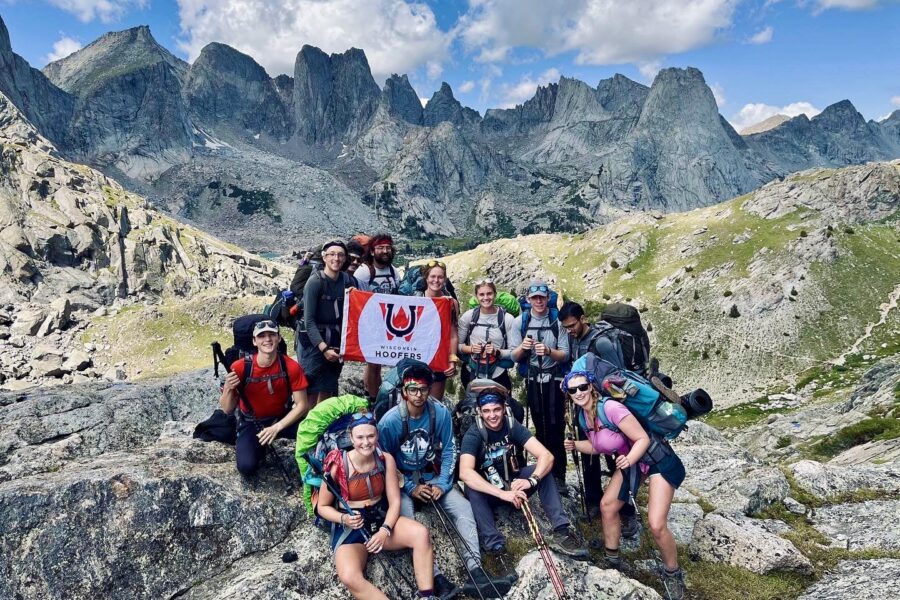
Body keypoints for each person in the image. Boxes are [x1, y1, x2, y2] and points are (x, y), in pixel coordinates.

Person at [378, 365, 511, 598]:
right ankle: (436, 577)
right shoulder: (390, 423)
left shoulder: (439, 412)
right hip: (404, 482)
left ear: (430, 390)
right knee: (407, 521)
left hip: (433, 476)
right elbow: (384, 461)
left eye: (423, 389)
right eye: (413, 389)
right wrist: (410, 487)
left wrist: (441, 484)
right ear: (404, 392)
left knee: (464, 509)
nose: (419, 395)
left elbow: (450, 449)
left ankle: (475, 571)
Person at [562, 370, 686, 600]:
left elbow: (642, 439)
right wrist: (576, 446)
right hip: (633, 462)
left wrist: (628, 460)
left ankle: (673, 572)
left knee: (656, 524)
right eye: (572, 390)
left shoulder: (610, 408)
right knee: (607, 506)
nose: (578, 393)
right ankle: (613, 562)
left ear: (591, 387)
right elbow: (601, 445)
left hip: (656, 460)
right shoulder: (583, 416)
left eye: (582, 387)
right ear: (568, 394)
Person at [317, 412, 438, 599]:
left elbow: (394, 500)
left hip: (381, 518)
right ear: (351, 438)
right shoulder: (337, 464)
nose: (366, 442)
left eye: (371, 436)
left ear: (377, 436)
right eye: (360, 437)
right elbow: (322, 507)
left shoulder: (385, 459)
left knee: (421, 534)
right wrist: (344, 518)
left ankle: (427, 595)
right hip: (352, 528)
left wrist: (384, 531)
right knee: (349, 576)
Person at [458, 388, 587, 559]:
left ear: (503, 409)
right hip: (490, 491)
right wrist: (503, 494)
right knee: (472, 487)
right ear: (480, 413)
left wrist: (531, 481)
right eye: (487, 411)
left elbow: (546, 456)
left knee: (543, 471)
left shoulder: (511, 425)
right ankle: (495, 546)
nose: (492, 415)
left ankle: (561, 531)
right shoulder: (474, 434)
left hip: (513, 482)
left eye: (496, 409)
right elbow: (465, 472)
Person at [559, 301, 640, 536]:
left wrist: (607, 408)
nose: (570, 331)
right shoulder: (577, 340)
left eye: (572, 325)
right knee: (589, 454)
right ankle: (594, 501)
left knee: (617, 457)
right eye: (566, 327)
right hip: (585, 409)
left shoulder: (602, 342)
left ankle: (626, 510)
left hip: (607, 411)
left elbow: (619, 377)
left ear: (583, 318)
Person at [219, 319, 310, 476]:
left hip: (282, 418)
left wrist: (277, 427)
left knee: (315, 436)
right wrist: (228, 387)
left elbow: (302, 405)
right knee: (246, 467)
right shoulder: (240, 367)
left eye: (271, 335)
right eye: (262, 336)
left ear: (279, 338)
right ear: (254, 341)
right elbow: (227, 409)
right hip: (251, 422)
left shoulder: (291, 367)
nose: (267, 340)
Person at [509, 279, 571, 489]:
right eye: (534, 298)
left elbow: (565, 354)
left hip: (554, 380)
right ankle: (544, 472)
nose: (539, 301)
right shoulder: (520, 322)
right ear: (528, 299)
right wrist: (524, 349)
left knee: (556, 426)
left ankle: (559, 475)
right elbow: (514, 356)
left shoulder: (557, 321)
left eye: (542, 298)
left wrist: (548, 352)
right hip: (533, 380)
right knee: (538, 424)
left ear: (547, 298)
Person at [299, 240, 358, 404]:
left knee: (329, 387)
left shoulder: (348, 281)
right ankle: (308, 426)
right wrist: (323, 348)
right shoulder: (314, 282)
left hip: (336, 340)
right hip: (314, 343)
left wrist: (355, 297)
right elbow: (308, 321)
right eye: (332, 254)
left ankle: (324, 424)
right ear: (324, 257)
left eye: (340, 255)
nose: (336, 258)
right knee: (310, 389)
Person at [353, 233, 400, 399]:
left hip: (388, 323)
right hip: (370, 323)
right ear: (372, 251)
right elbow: (357, 299)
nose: (385, 251)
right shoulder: (364, 272)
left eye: (388, 247)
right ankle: (374, 397)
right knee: (373, 362)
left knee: (376, 363)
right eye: (380, 248)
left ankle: (370, 392)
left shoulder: (394, 272)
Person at [457, 279, 516, 390]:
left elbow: (514, 352)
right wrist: (471, 349)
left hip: (498, 374)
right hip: (471, 372)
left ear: (495, 294)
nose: (486, 298)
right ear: (476, 296)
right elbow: (456, 345)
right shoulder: (468, 317)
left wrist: (497, 352)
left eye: (489, 293)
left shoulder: (507, 319)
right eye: (481, 294)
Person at [416, 261, 459, 400]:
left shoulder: (451, 303)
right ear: (426, 278)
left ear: (445, 279)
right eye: (433, 276)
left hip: (439, 357)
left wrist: (452, 359)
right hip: (418, 356)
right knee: (415, 399)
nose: (436, 280)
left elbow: (453, 333)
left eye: (440, 277)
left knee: (434, 402)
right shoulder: (415, 299)